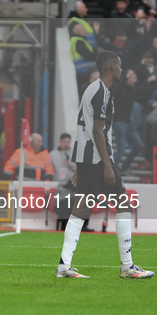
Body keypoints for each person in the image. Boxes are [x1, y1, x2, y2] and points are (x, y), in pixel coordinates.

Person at [55, 50, 154, 279]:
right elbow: (98, 130)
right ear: (112, 67)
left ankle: (64, 265)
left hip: (86, 159)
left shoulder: (91, 88)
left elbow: (84, 127)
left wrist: (79, 164)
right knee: (124, 205)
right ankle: (127, 267)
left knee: (80, 209)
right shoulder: (102, 92)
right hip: (99, 159)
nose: (121, 70)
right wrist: (108, 165)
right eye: (119, 66)